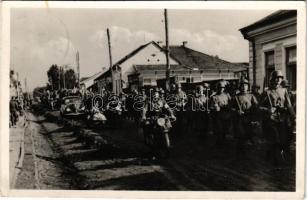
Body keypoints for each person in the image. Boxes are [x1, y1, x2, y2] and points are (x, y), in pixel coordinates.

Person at [259, 70, 295, 166]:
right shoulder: (267, 92)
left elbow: (289, 105)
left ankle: (269, 153)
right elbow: (259, 107)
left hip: (282, 119)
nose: (278, 80)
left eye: (280, 78)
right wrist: (268, 109)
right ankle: (276, 163)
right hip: (271, 120)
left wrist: (294, 116)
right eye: (276, 78)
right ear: (272, 79)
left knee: (283, 141)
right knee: (276, 140)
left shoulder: (284, 90)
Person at [231, 79, 258, 158]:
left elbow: (256, 106)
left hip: (249, 118)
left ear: (248, 87)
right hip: (239, 119)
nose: (243, 87)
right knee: (240, 136)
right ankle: (240, 153)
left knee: (248, 134)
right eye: (242, 86)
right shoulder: (236, 97)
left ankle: (247, 153)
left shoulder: (251, 96)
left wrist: (252, 111)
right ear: (240, 87)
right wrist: (236, 111)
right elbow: (231, 108)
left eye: (245, 85)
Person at [210, 81, 232, 145]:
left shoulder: (227, 95)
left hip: (226, 115)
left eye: (222, 88)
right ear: (217, 88)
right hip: (218, 116)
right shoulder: (214, 97)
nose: (221, 89)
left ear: (224, 88)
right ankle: (219, 142)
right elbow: (211, 106)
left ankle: (224, 140)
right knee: (219, 130)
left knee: (226, 129)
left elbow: (231, 104)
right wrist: (215, 107)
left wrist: (228, 107)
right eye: (219, 87)